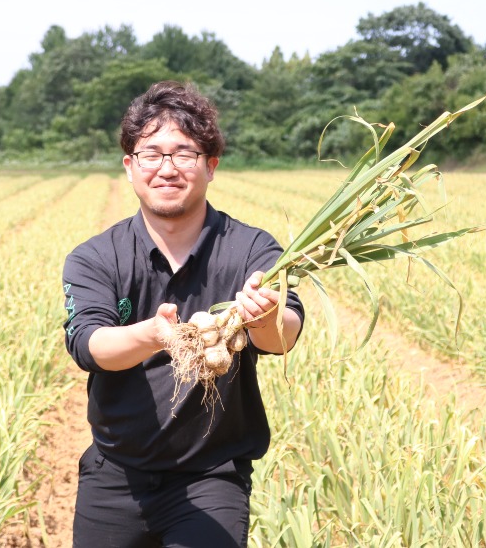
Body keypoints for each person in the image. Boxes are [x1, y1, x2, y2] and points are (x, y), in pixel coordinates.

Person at [61, 80, 304, 547]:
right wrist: (154, 334)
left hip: (211, 476)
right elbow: (90, 346)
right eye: (152, 154)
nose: (167, 168)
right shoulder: (95, 257)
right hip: (116, 477)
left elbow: (285, 335)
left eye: (185, 154)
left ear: (210, 166)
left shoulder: (252, 248)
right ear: (130, 166)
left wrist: (264, 316)